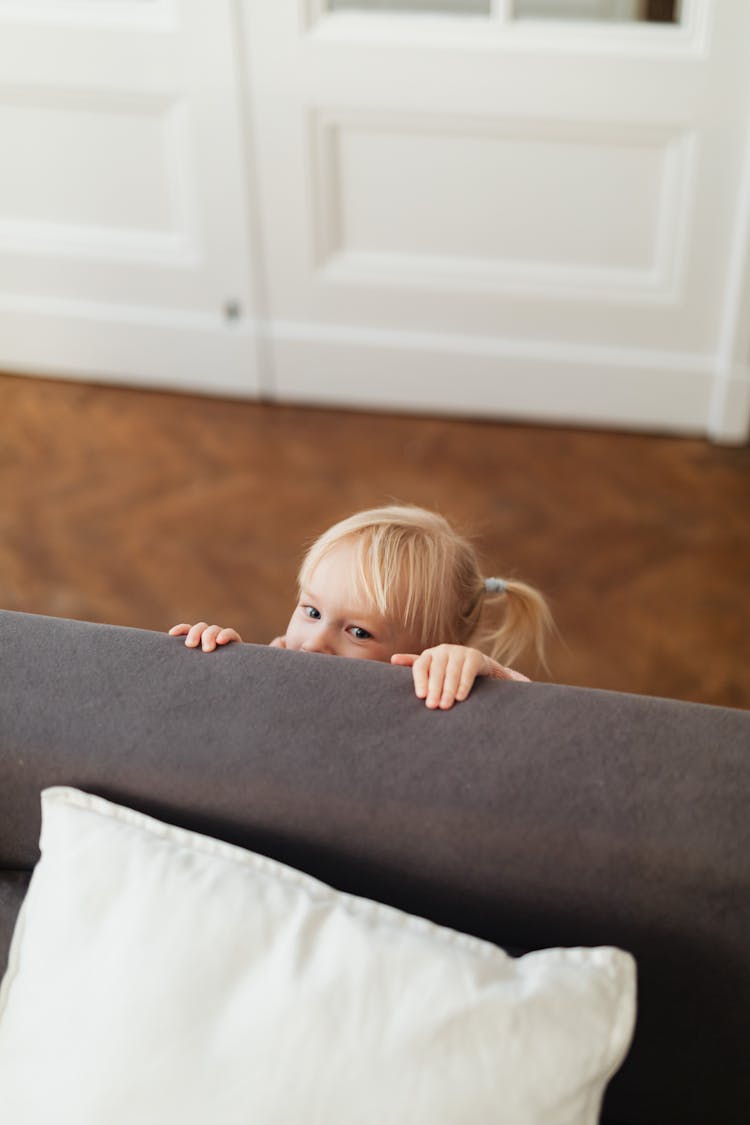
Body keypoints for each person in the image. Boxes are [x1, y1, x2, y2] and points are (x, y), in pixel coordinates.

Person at [169, 504, 553, 710]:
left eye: (359, 632)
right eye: (312, 611)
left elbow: (535, 725)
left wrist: (483, 676)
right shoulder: (284, 655)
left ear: (425, 655)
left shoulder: (430, 690)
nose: (314, 642)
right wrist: (220, 662)